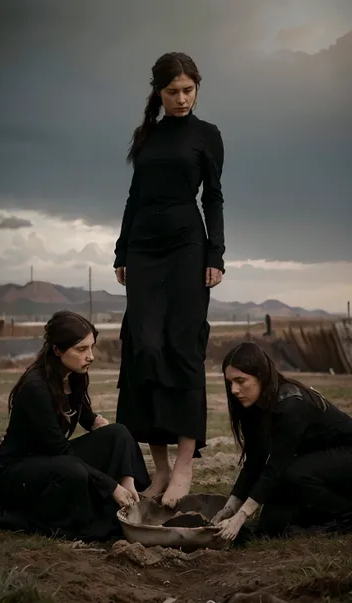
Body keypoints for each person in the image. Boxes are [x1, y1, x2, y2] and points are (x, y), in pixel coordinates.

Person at [114, 52, 225, 508]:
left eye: (188, 90)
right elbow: (134, 197)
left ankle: (184, 466)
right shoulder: (147, 136)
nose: (181, 99)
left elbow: (214, 198)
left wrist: (215, 255)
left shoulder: (207, 136)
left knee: (181, 349)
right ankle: (158, 470)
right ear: (158, 92)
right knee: (145, 347)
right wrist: (121, 249)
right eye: (173, 92)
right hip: (143, 249)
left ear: (197, 88)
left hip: (186, 248)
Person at [0, 311, 150, 541]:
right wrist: (111, 486)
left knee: (118, 432)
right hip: (14, 473)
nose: (90, 356)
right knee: (74, 471)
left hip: (50, 461)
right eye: (81, 349)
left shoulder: (72, 374)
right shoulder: (36, 388)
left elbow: (84, 414)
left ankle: (129, 495)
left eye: (91, 347)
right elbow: (60, 452)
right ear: (57, 350)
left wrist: (126, 477)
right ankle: (4, 514)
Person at [211, 342, 352, 542]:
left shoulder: (290, 404)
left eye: (240, 381)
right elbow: (255, 462)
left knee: (292, 474)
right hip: (320, 464)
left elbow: (275, 468)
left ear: (261, 375)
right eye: (230, 382)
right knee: (272, 524)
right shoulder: (252, 407)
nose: (234, 390)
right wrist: (229, 508)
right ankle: (347, 503)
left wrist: (242, 516)